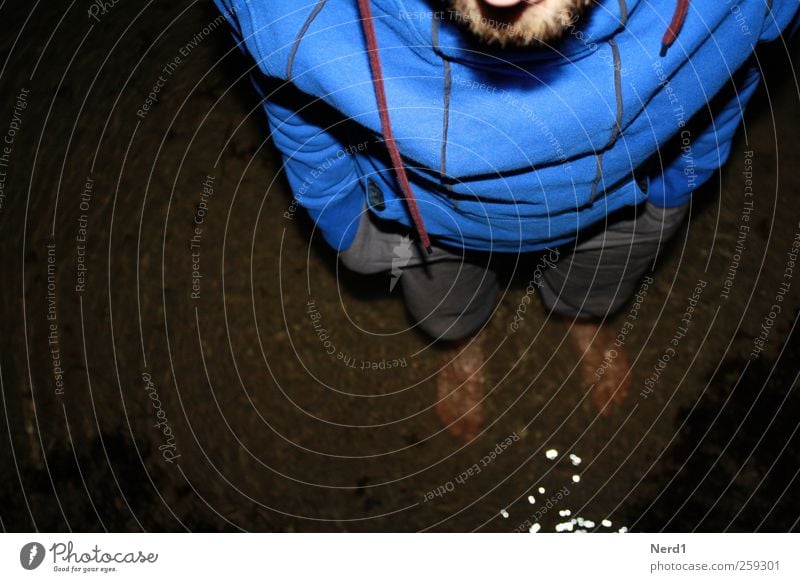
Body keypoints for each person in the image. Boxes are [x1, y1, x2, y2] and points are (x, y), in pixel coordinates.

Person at [214, 0, 799, 441]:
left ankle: (583, 318)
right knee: (445, 311)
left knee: (597, 287)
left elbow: (737, 73)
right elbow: (290, 101)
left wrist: (679, 184)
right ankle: (461, 341)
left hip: (624, 202)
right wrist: (346, 224)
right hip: (426, 226)